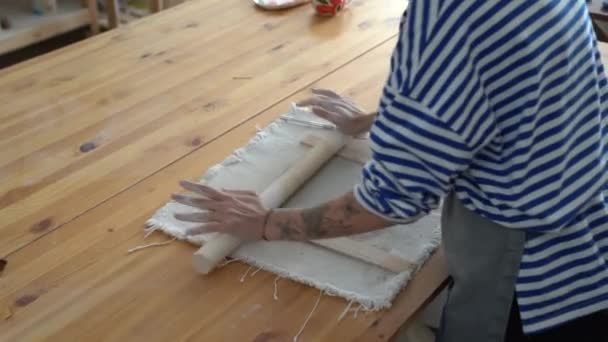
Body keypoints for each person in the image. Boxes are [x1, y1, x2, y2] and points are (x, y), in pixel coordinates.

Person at [172, 1, 608, 341]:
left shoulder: (451, 15)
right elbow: (499, 90)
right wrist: (388, 121)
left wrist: (265, 222)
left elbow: (389, 200)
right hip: (583, 220)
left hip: (530, 280)